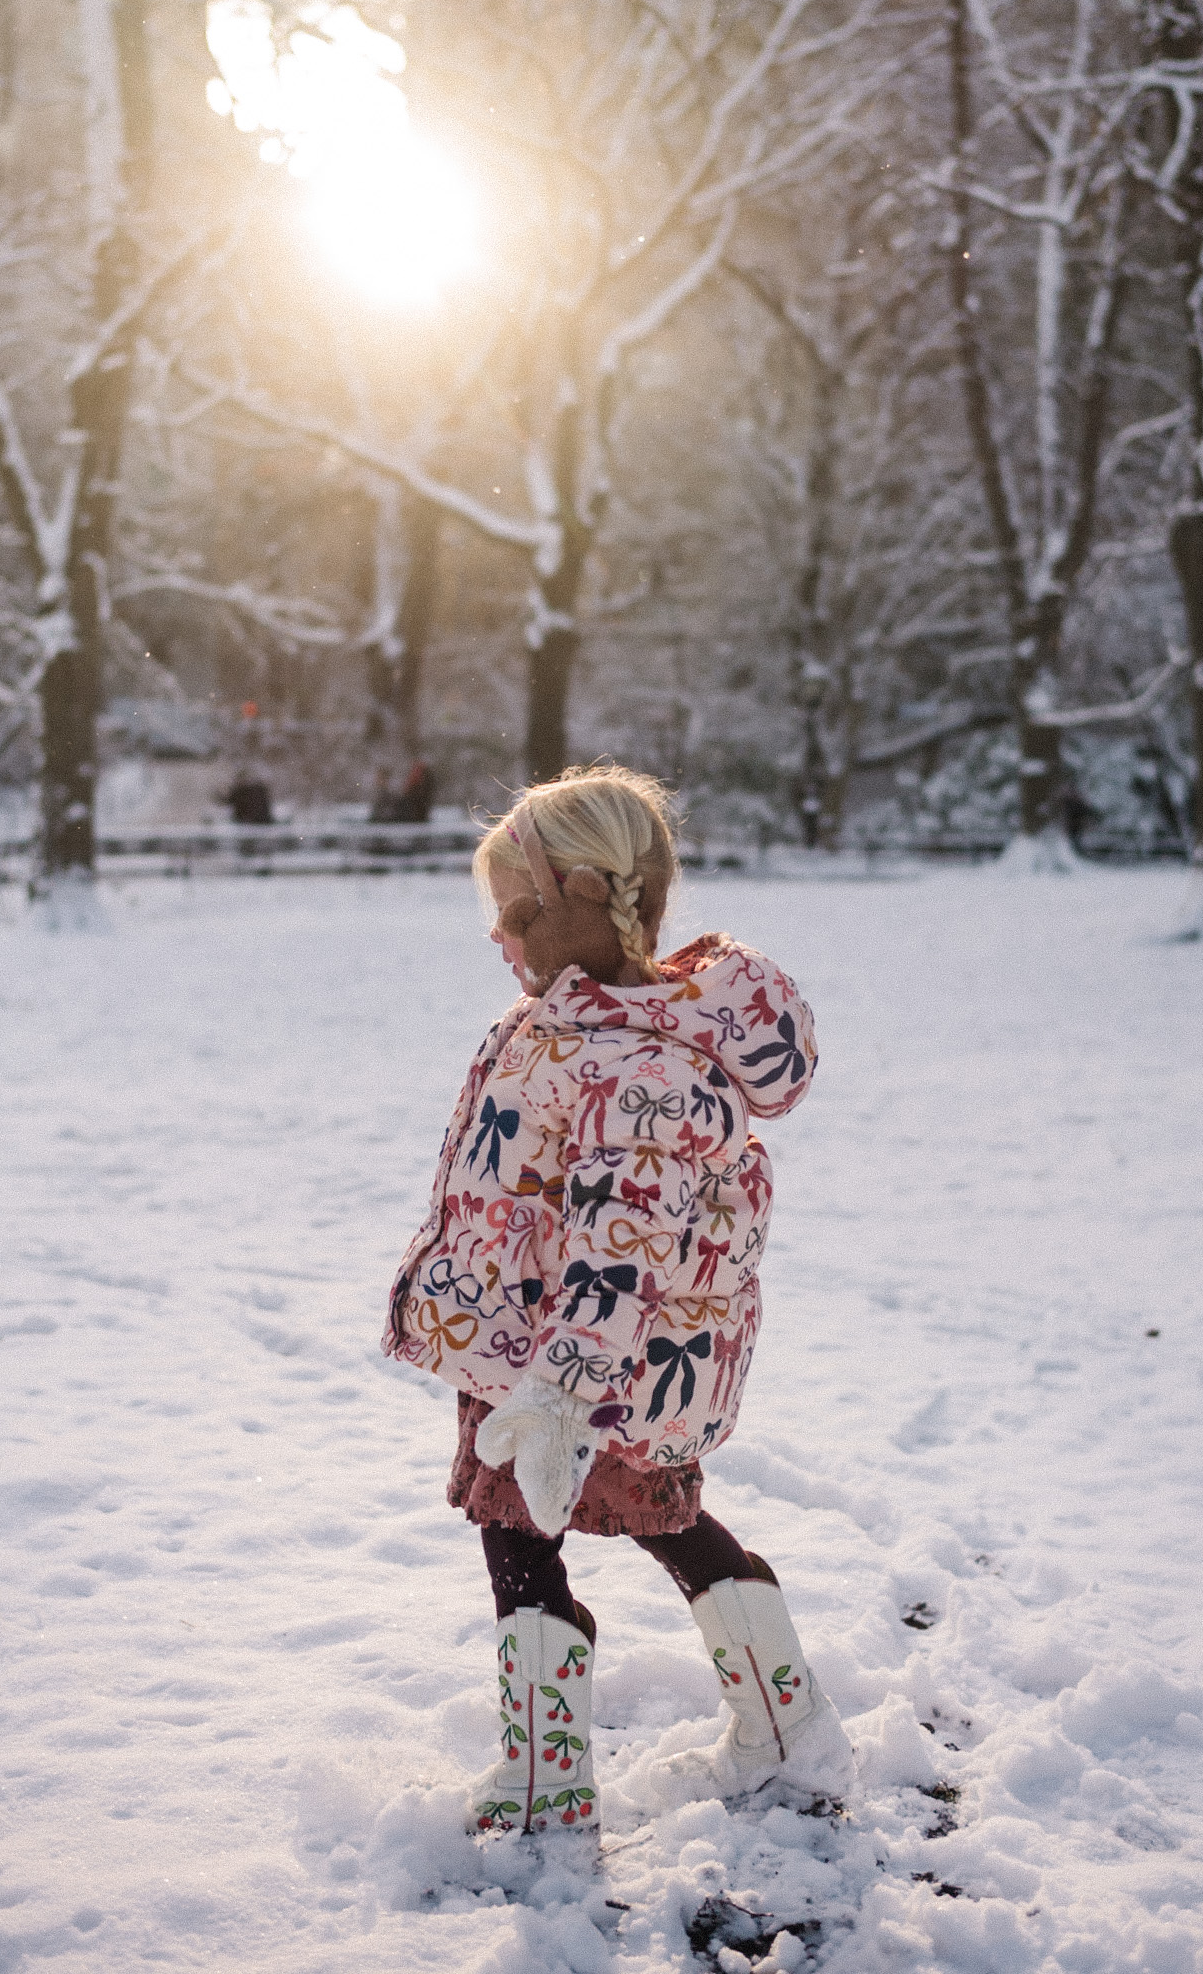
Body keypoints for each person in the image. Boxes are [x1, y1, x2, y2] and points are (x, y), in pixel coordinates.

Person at [383, 765, 851, 1838]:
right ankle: (778, 1723)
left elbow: (616, 1250)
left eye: (514, 909)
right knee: (648, 1526)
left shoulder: (638, 1065)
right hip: (538, 1350)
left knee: (530, 1529)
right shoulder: (566, 1021)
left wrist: (559, 1393)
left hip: (570, 1367)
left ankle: (552, 1779)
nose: (496, 936)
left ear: (589, 898)